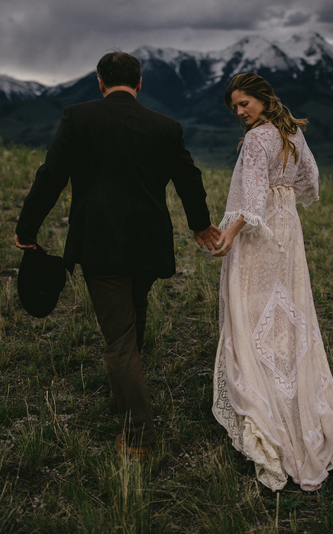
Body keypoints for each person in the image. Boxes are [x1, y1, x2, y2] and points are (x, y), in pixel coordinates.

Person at [15, 51, 221, 459]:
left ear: (100, 82)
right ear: (140, 83)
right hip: (148, 242)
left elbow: (51, 174)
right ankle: (121, 390)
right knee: (134, 313)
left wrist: (27, 228)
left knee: (118, 338)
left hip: (100, 243)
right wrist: (200, 224)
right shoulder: (165, 126)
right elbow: (189, 177)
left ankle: (141, 436)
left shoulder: (79, 117)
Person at [211, 73, 333, 491]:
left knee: (251, 308)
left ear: (262, 98)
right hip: (288, 232)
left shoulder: (258, 139)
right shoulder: (290, 133)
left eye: (244, 104)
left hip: (258, 235)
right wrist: (285, 197)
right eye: (235, 108)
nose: (240, 113)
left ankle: (263, 393)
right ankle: (293, 387)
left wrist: (229, 235)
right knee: (287, 309)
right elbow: (310, 178)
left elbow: (251, 199)